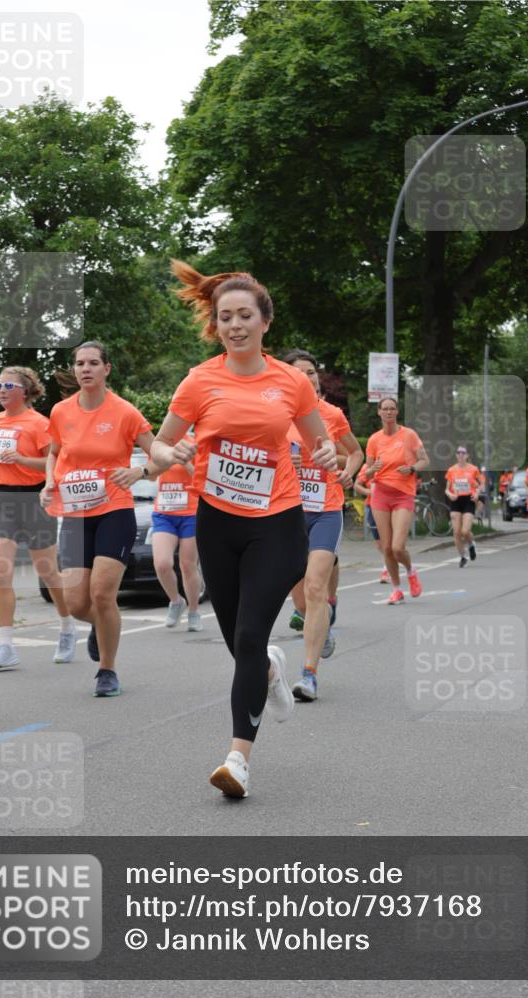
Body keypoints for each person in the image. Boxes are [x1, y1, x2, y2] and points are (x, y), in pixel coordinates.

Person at [150, 261, 337, 798]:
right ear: (217, 325)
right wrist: (172, 452)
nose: (234, 325)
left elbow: (318, 443)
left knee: (251, 635)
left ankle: (238, 759)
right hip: (217, 521)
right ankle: (271, 674)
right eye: (225, 317)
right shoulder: (199, 381)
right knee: (241, 644)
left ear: (264, 321)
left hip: (277, 523)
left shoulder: (291, 382)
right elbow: (161, 446)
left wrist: (325, 454)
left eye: (244, 316)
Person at [41, 342, 155, 697]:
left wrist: (139, 472)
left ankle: (107, 670)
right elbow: (54, 453)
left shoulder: (125, 412)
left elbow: (160, 456)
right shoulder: (61, 411)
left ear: (107, 368)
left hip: (114, 510)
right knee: (77, 603)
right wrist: (48, 481)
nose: (85, 369)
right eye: (79, 363)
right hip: (75, 514)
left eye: (93, 363)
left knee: (103, 594)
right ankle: (101, 627)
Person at [0, 367, 77, 669]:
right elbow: (1, 458)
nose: (2, 390)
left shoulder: (39, 423)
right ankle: (6, 646)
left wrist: (21, 460)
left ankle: (67, 626)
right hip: (3, 500)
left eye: (9, 385)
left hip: (34, 499)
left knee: (48, 572)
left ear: (26, 390)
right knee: (0, 571)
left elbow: (54, 464)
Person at [282, 349, 363, 702]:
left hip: (325, 510)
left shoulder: (331, 415)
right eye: (300, 374)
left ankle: (309, 675)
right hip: (287, 512)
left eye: (312, 373)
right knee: (299, 594)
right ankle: (322, 626)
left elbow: (356, 452)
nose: (308, 379)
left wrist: (346, 469)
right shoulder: (275, 416)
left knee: (316, 588)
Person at [364, 397, 429, 605]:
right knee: (387, 548)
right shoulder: (374, 440)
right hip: (380, 495)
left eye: (392, 409)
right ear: (379, 412)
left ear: (397, 412)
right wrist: (372, 470)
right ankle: (397, 589)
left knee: (398, 547)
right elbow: (367, 472)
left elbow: (424, 460)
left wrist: (411, 469)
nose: (389, 412)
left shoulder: (409, 435)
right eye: (385, 409)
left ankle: (411, 572)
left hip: (403, 494)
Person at [151, 430, 203, 631]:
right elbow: (150, 475)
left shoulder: (195, 443)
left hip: (190, 512)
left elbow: (201, 475)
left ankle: (193, 611)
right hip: (164, 512)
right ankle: (175, 601)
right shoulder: (161, 444)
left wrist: (184, 461)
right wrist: (166, 459)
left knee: (188, 565)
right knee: (162, 564)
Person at [445, 447, 482, 567]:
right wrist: (450, 495)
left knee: (465, 531)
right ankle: (462, 557)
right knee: (456, 532)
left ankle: (471, 544)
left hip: (468, 500)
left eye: (463, 453)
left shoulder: (473, 469)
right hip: (456, 500)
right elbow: (447, 489)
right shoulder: (451, 470)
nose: (461, 455)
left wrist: (476, 494)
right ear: (456, 455)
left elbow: (480, 484)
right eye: (458, 453)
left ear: (467, 455)